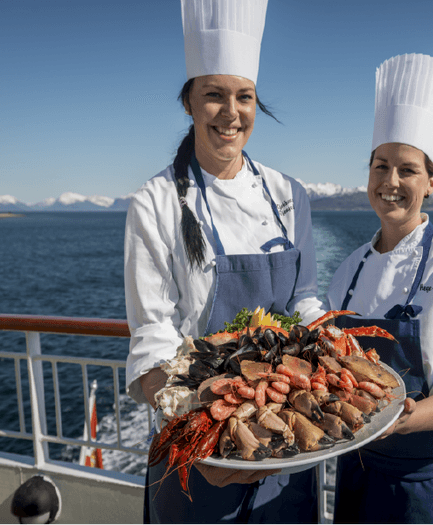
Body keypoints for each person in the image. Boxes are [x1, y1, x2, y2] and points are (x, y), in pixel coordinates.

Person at [124, 1, 325, 522]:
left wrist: (329, 351)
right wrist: (200, 433)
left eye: (244, 97)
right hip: (198, 441)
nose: (230, 113)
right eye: (213, 96)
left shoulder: (288, 195)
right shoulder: (157, 201)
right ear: (189, 103)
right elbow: (152, 332)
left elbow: (303, 300)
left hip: (285, 427)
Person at [326, 53, 433, 524]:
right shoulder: (348, 270)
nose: (391, 182)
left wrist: (407, 417)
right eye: (381, 167)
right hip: (356, 467)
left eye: (408, 170)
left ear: (431, 182)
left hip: (429, 479)